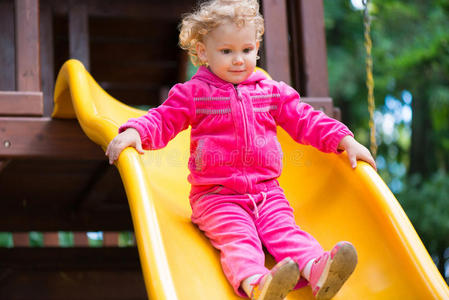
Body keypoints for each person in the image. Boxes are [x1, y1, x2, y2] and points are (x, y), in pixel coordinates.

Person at [105, 0, 377, 299]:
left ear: (256, 47)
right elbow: (164, 118)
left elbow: (304, 118)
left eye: (246, 50)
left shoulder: (270, 92)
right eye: (227, 51)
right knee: (239, 239)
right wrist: (135, 131)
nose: (238, 60)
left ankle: (317, 270)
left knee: (286, 230)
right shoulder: (194, 94)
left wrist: (343, 139)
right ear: (202, 53)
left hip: (267, 191)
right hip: (217, 197)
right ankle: (257, 284)